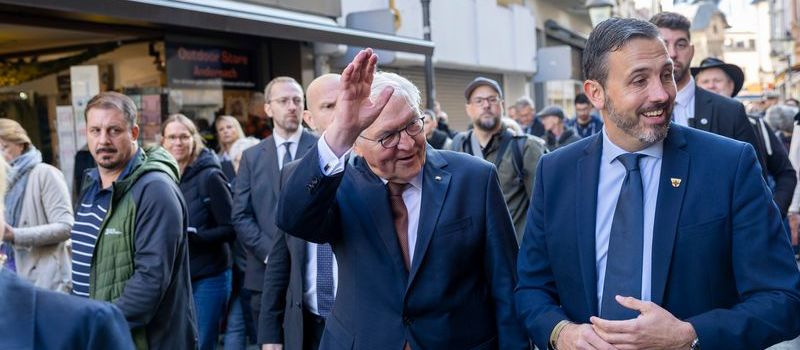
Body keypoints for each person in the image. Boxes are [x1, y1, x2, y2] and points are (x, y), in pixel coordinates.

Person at [515, 17, 800, 350]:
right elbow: (531, 288)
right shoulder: (556, 171)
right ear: (595, 93)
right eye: (640, 80)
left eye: (666, 75)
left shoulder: (728, 164)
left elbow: (783, 299)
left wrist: (690, 335)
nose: (662, 94)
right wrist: (561, 333)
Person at [277, 49, 529, 349]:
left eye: (413, 124)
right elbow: (293, 218)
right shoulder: (339, 183)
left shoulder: (474, 178)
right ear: (357, 144)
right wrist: (340, 132)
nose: (408, 143)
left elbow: (506, 284)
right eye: (388, 136)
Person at [71, 91, 197, 349]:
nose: (103, 140)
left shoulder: (155, 190)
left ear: (134, 133)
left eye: (114, 130)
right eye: (95, 130)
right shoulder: (90, 185)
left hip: (143, 340)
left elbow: (150, 281)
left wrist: (96, 325)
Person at [0, 156, 135, 350]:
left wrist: (15, 234)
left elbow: (66, 226)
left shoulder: (87, 326)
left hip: (49, 280)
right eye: (95, 130)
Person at [260, 73, 342, 350]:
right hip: (306, 325)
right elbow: (281, 257)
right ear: (309, 119)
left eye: (345, 104)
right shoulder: (294, 174)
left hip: (357, 326)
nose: (340, 114)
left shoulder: (376, 171)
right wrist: (270, 332)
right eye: (329, 107)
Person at [232, 77, 318, 332]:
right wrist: (271, 253)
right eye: (283, 101)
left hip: (312, 277)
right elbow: (240, 215)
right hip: (265, 273)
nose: (291, 106)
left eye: (296, 100)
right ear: (268, 109)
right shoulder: (251, 156)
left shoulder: (320, 149)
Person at [162, 114, 235, 350]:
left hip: (209, 275)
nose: (178, 142)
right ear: (162, 141)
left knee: (202, 343)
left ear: (194, 139)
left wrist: (196, 237)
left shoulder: (211, 175)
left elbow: (231, 227)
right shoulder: (160, 177)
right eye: (172, 137)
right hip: (174, 277)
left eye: (184, 136)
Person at [692, 57, 796, 217]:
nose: (711, 85)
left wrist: (774, 212)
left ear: (731, 86)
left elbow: (786, 173)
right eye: (705, 81)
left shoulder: (756, 124)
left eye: (717, 80)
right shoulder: (685, 127)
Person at [649, 13, 759, 157]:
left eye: (681, 44)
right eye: (664, 44)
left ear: (692, 50)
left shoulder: (730, 111)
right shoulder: (637, 109)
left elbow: (753, 175)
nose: (673, 53)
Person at [450, 77, 544, 242]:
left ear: (501, 105)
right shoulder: (458, 147)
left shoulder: (526, 147)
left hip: (515, 253)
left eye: (492, 99)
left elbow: (543, 208)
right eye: (479, 101)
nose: (486, 105)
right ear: (468, 109)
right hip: (473, 254)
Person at [0, 119, 73, 292]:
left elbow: (66, 227)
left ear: (22, 145)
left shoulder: (45, 174)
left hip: (45, 282)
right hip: (9, 277)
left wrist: (15, 235)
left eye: (4, 147)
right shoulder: (1, 181)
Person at [224, 135, 261, 350]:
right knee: (239, 326)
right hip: (240, 272)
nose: (243, 166)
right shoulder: (231, 187)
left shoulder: (264, 187)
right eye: (238, 161)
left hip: (254, 272)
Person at [216, 115, 246, 181]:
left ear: (237, 129)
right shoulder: (218, 158)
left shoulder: (248, 151)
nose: (225, 131)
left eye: (229, 127)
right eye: (221, 129)